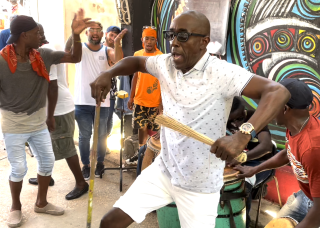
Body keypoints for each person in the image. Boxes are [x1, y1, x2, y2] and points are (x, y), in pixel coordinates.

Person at [90, 11, 290, 228]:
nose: (174, 43)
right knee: (108, 222)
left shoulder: (221, 73)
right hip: (164, 171)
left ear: (204, 42)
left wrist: (241, 137)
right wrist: (108, 74)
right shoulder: (164, 64)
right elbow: (135, 61)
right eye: (172, 35)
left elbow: (277, 92)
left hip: (200, 185)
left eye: (183, 36)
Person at [1, 10, 95, 228]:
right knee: (18, 169)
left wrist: (76, 34)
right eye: (36, 32)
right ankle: (15, 207)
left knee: (47, 161)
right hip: (13, 123)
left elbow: (75, 57)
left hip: (37, 121)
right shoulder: (2, 61)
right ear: (24, 35)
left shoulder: (43, 55)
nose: (40, 36)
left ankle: (41, 203)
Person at [235, 79, 320, 228]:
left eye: (272, 104)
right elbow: (288, 153)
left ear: (285, 108)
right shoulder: (297, 125)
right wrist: (254, 169)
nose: (267, 109)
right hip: (305, 195)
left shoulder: (313, 149)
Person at [28, 24, 89, 200]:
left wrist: (50, 116)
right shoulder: (42, 50)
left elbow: (51, 86)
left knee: (66, 146)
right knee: (45, 145)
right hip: (50, 109)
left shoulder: (45, 53)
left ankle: (81, 183)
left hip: (58, 109)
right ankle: (46, 176)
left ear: (37, 35)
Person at [65, 22, 126, 180]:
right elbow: (67, 51)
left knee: (101, 135)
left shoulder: (107, 50)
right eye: (92, 30)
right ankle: (85, 165)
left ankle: (100, 162)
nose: (95, 33)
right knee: (84, 136)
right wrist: (74, 33)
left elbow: (119, 61)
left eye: (98, 30)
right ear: (87, 33)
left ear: (103, 34)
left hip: (102, 102)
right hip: (82, 101)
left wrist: (118, 43)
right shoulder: (80, 49)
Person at [227, 96, 273, 228]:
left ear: (244, 110)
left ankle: (243, 224)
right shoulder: (223, 119)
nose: (236, 124)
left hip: (261, 164)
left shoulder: (255, 118)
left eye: (240, 118)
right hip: (237, 163)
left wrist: (243, 157)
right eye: (232, 120)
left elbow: (266, 146)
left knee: (241, 184)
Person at [126, 26, 163, 165]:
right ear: (142, 40)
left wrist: (161, 104)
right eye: (146, 38)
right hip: (139, 101)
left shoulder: (161, 57)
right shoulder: (138, 54)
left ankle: (153, 162)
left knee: (154, 134)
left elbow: (163, 81)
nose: (149, 41)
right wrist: (131, 97)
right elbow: (135, 76)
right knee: (141, 133)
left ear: (155, 40)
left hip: (154, 102)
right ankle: (141, 160)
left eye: (152, 38)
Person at [103, 25, 122, 140]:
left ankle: (103, 144)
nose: (112, 38)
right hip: (97, 89)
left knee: (108, 118)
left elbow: (117, 65)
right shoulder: (98, 48)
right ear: (106, 34)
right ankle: (97, 144)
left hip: (111, 89)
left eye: (115, 36)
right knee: (97, 119)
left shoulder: (116, 51)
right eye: (111, 35)